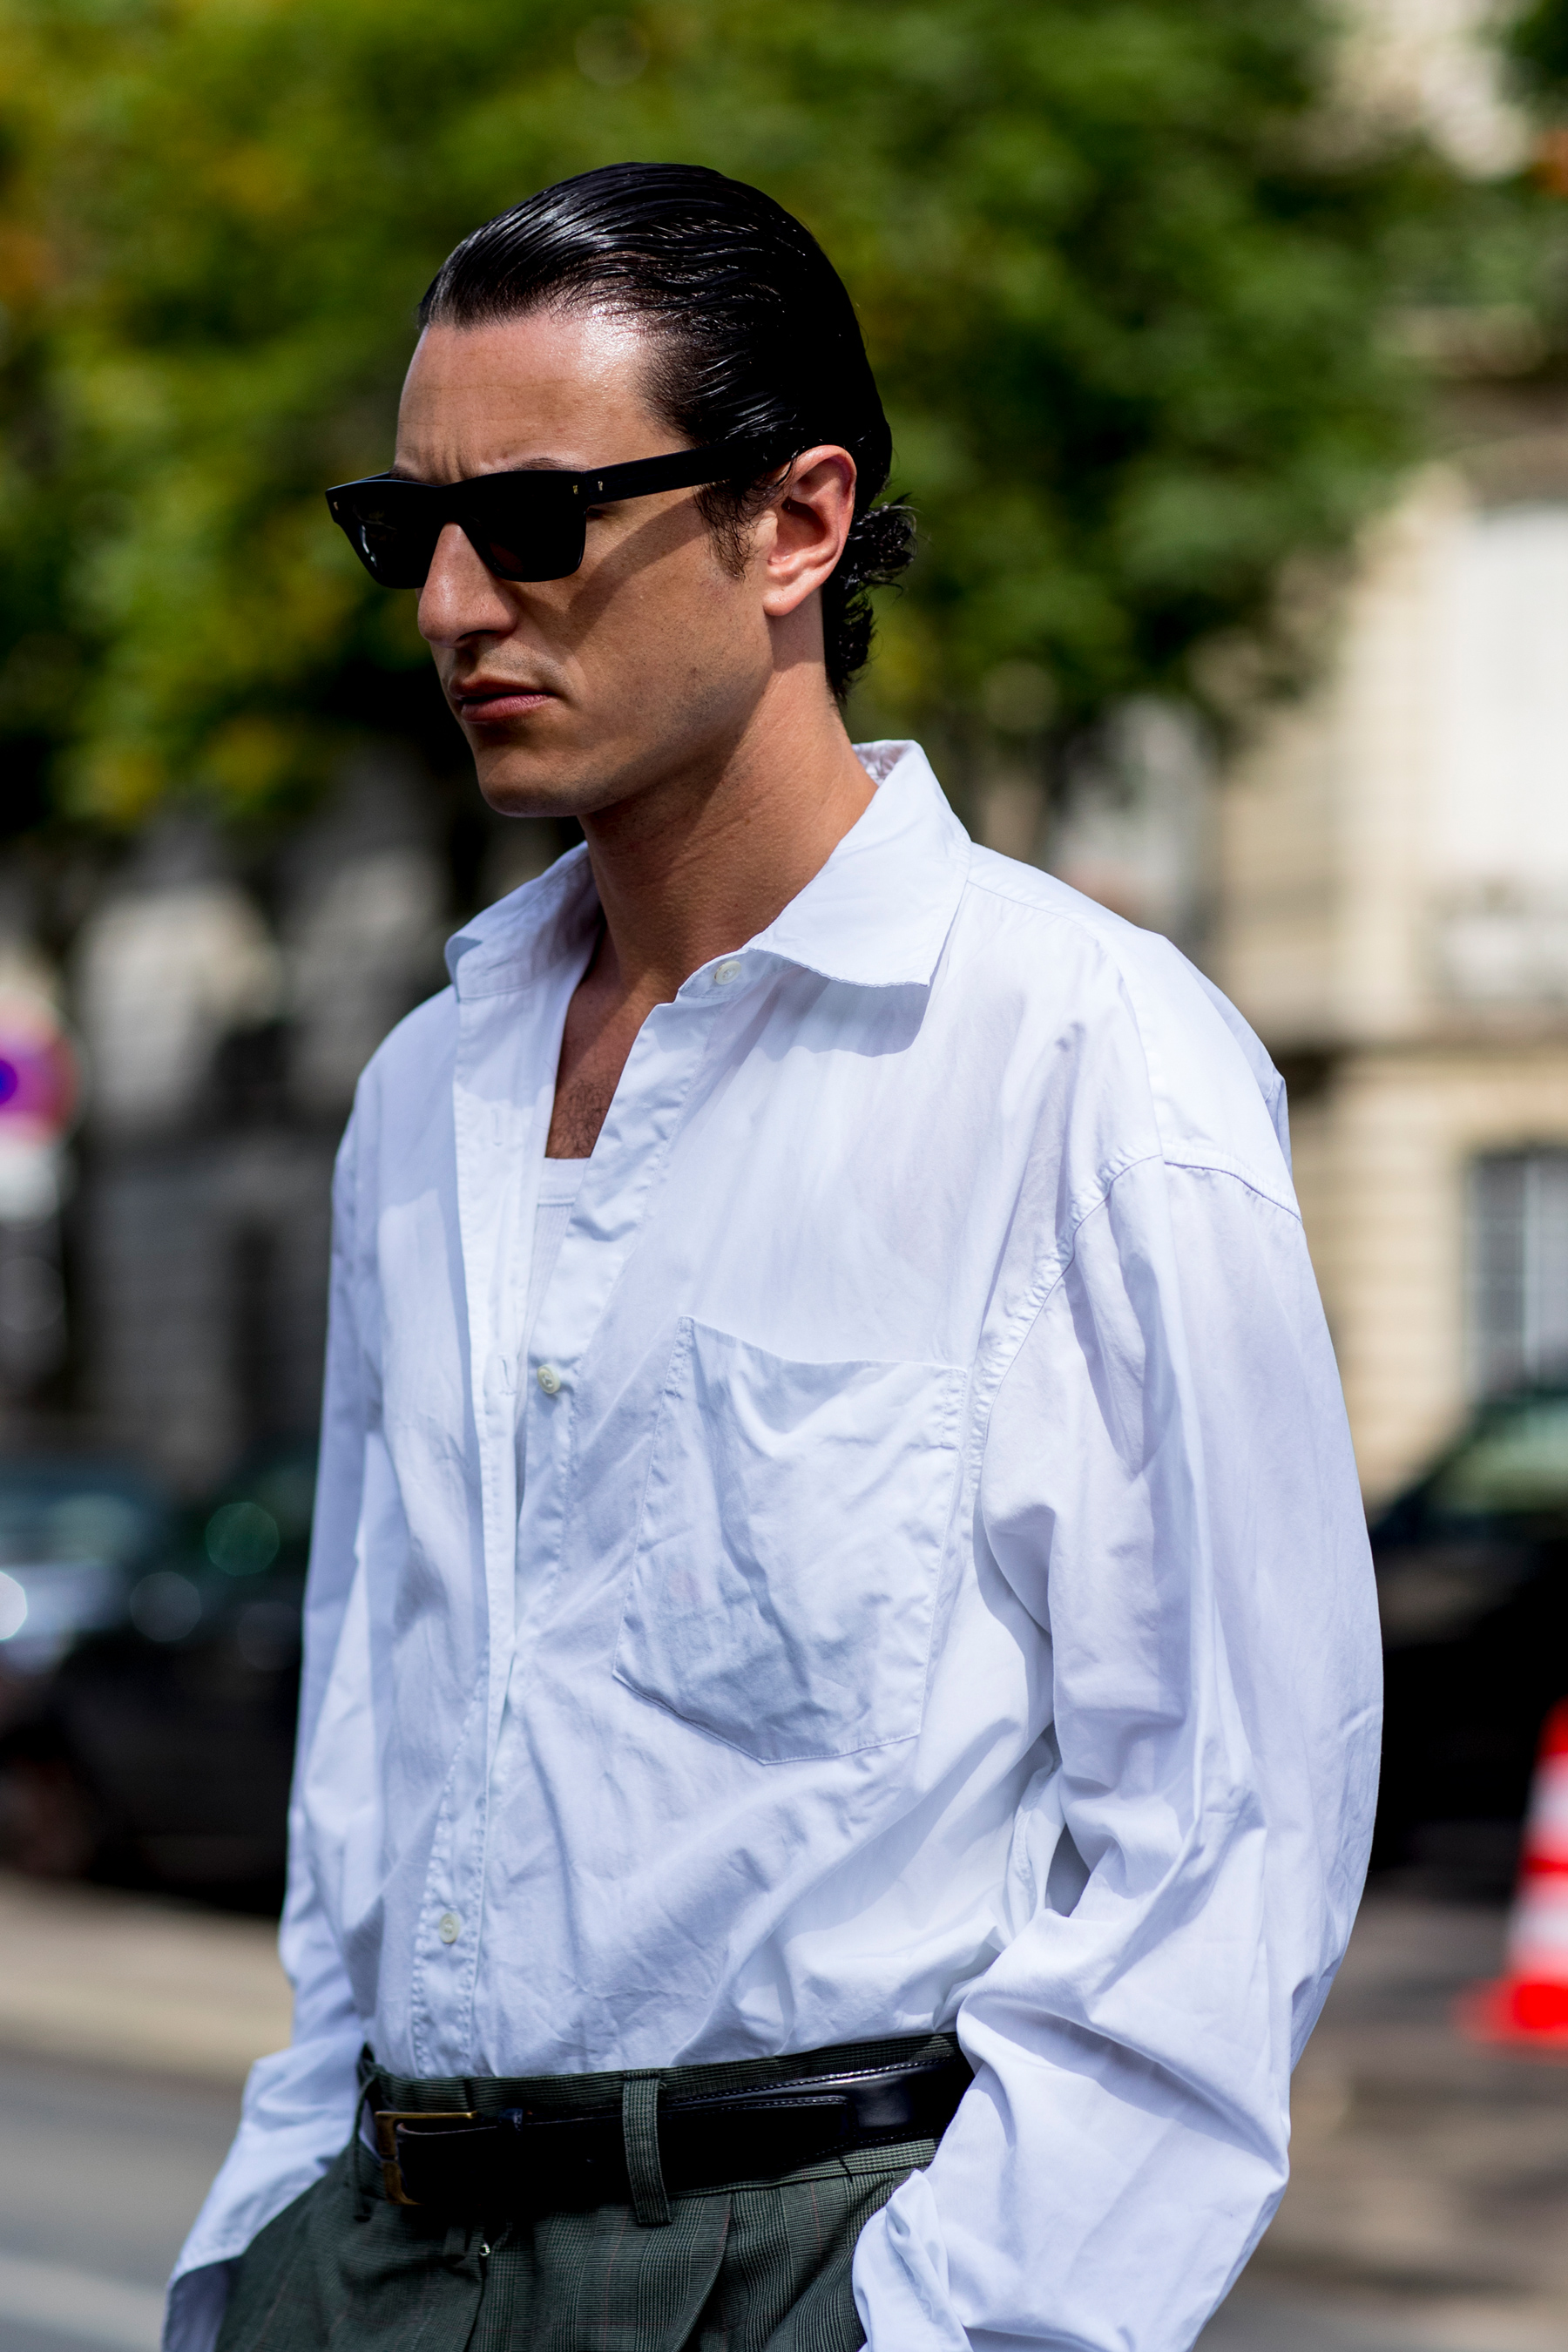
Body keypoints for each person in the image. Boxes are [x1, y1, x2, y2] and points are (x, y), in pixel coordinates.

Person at [167, 162, 1381, 2352]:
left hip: (809, 2261)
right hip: (377, 2252)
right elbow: (371, 1758)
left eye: (534, 520)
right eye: (408, 528)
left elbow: (1227, 1830)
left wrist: (940, 2328)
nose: (452, 604)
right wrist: (262, 2248)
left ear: (797, 521)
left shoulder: (1084, 1060)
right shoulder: (426, 1095)